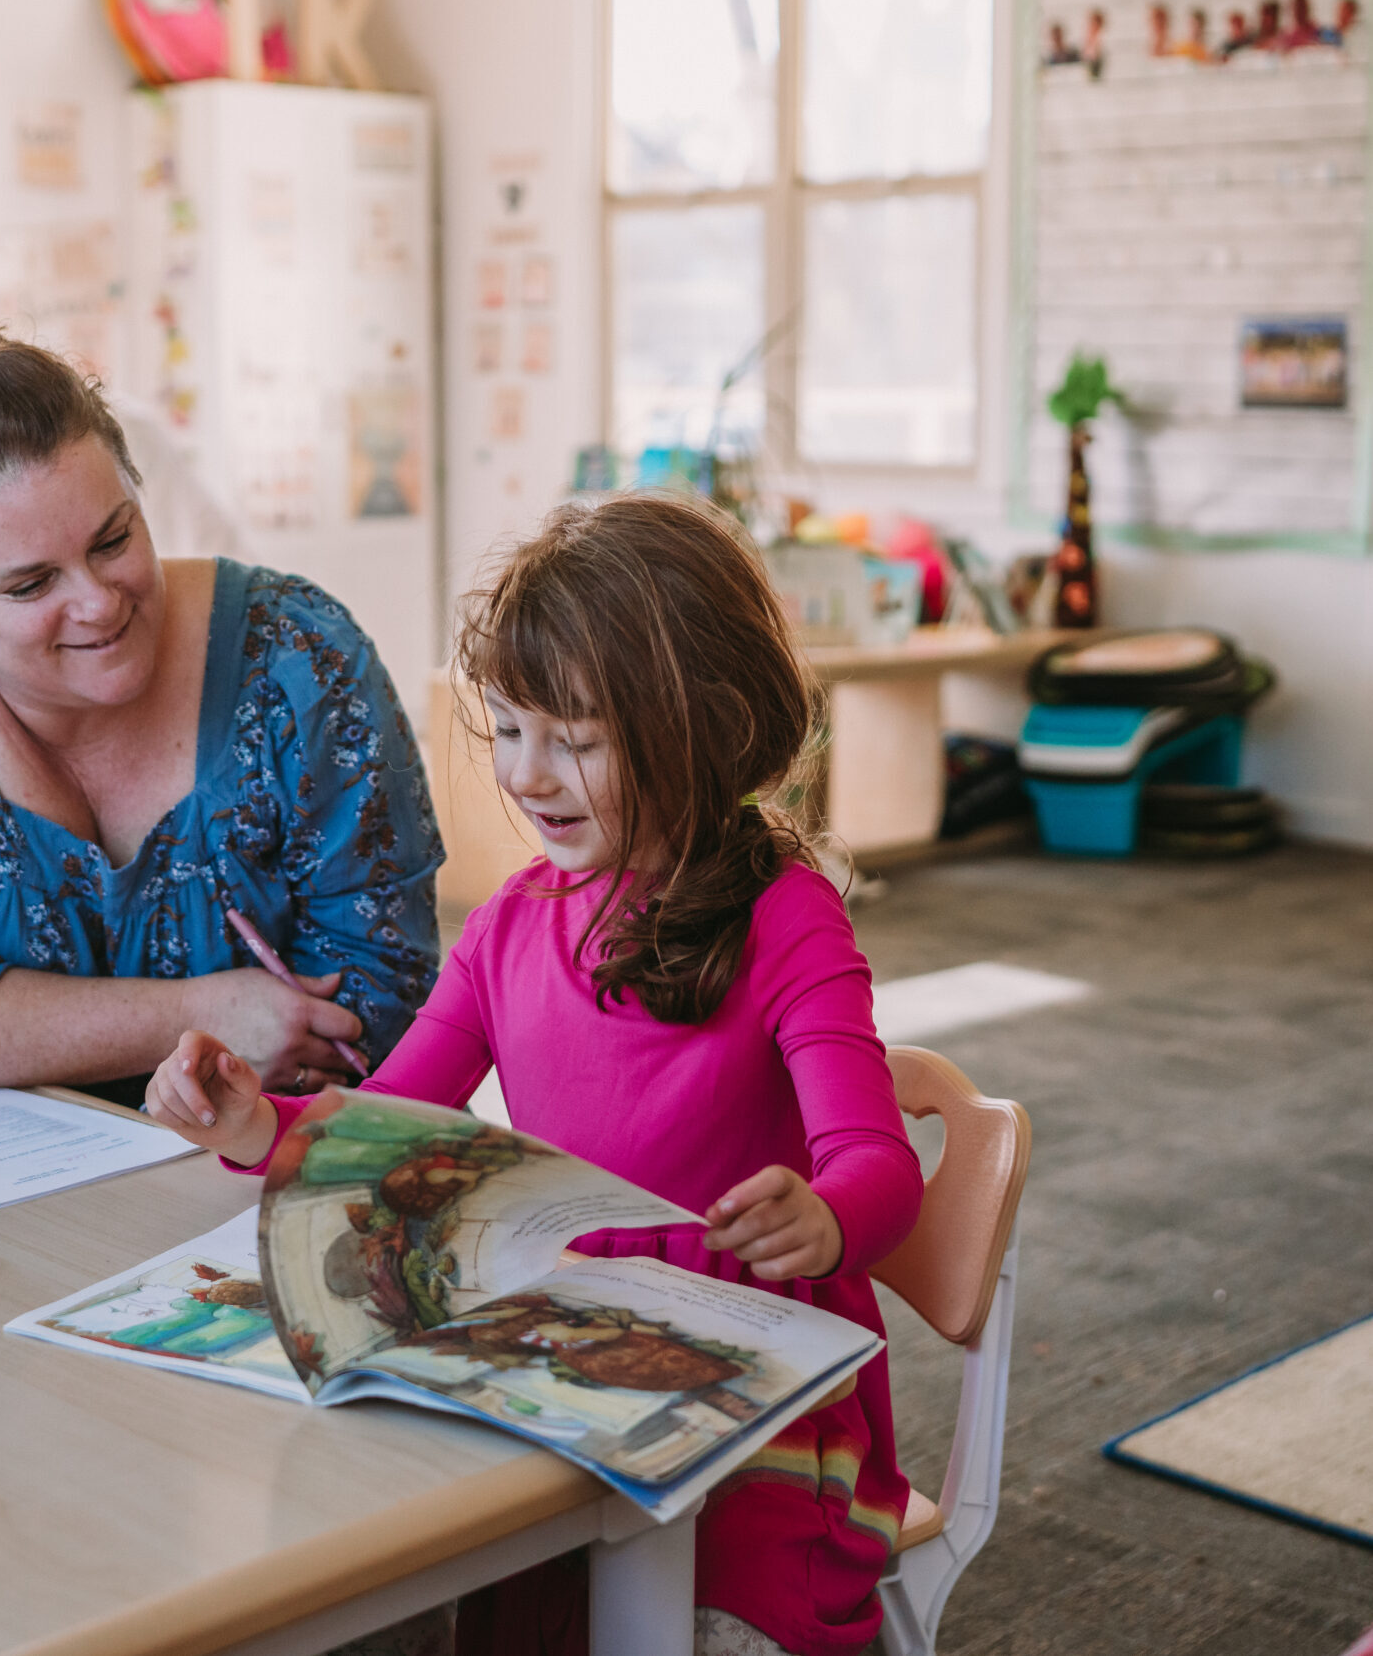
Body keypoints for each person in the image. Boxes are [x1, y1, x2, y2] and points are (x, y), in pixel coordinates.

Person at [145, 492, 926, 1656]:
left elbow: (876, 1162)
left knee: (706, 1632)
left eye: (577, 738)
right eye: (508, 728)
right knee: (473, 1577)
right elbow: (387, 1129)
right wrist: (260, 1122)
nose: (527, 773)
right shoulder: (508, 927)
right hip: (564, 1347)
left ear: (699, 725)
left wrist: (825, 1216)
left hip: (763, 1390)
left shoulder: (787, 919)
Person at [0, 294, 443, 1103]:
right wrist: (208, 1013)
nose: (100, 603)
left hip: (251, 1173)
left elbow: (378, 1007)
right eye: (31, 583)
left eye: (114, 539)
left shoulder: (298, 661)